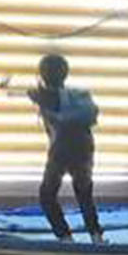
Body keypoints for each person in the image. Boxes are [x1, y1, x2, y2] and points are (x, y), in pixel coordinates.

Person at [25, 54, 102, 242]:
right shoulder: (68, 95)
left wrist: (49, 102)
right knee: (82, 193)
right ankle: (92, 236)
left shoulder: (68, 96)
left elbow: (88, 114)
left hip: (66, 148)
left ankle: (69, 237)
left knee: (51, 194)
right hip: (80, 147)